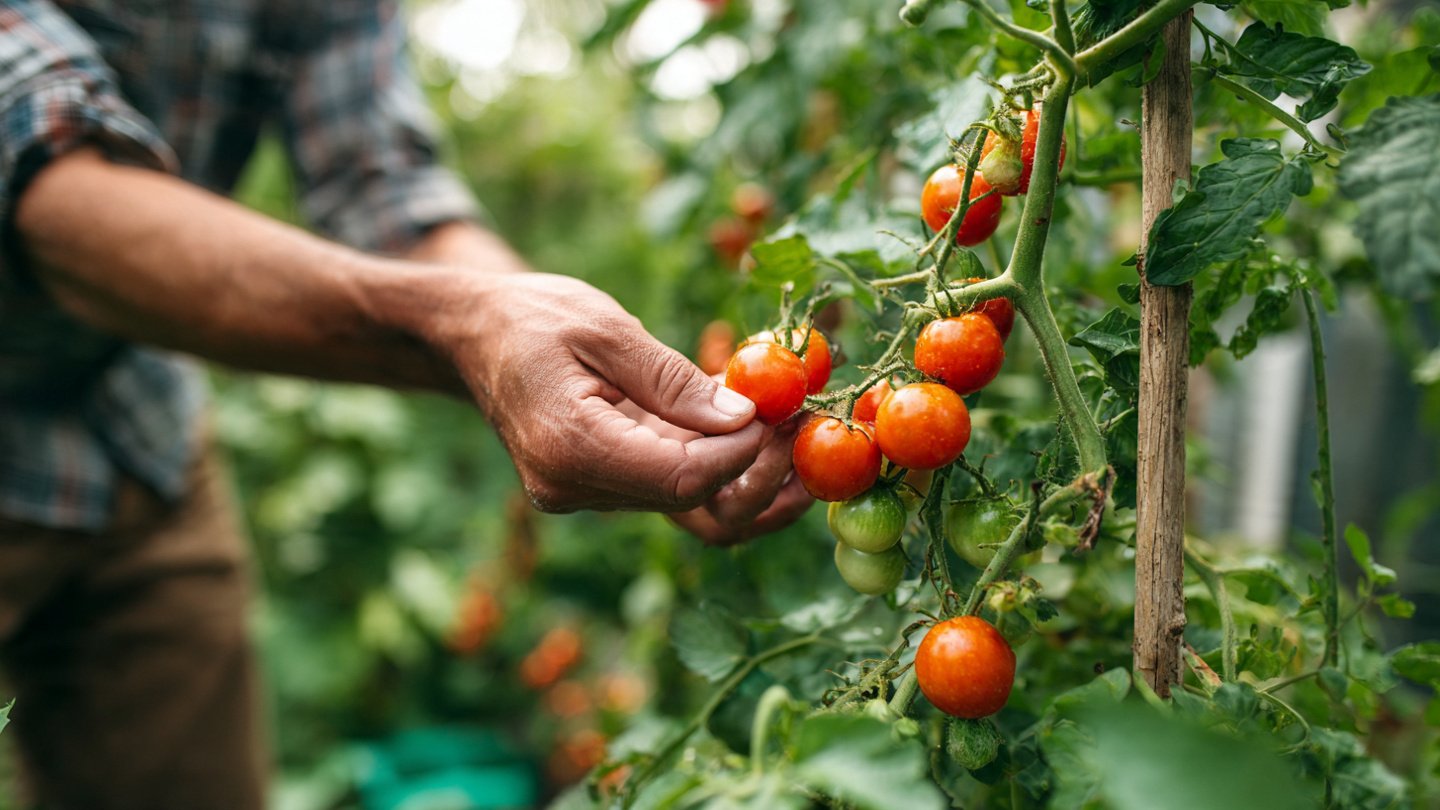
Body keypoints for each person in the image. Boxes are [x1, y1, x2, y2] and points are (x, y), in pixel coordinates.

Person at [0, 0, 811, 807]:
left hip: (132, 424)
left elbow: (382, 184)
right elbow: (41, 177)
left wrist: (572, 357)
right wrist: (461, 325)